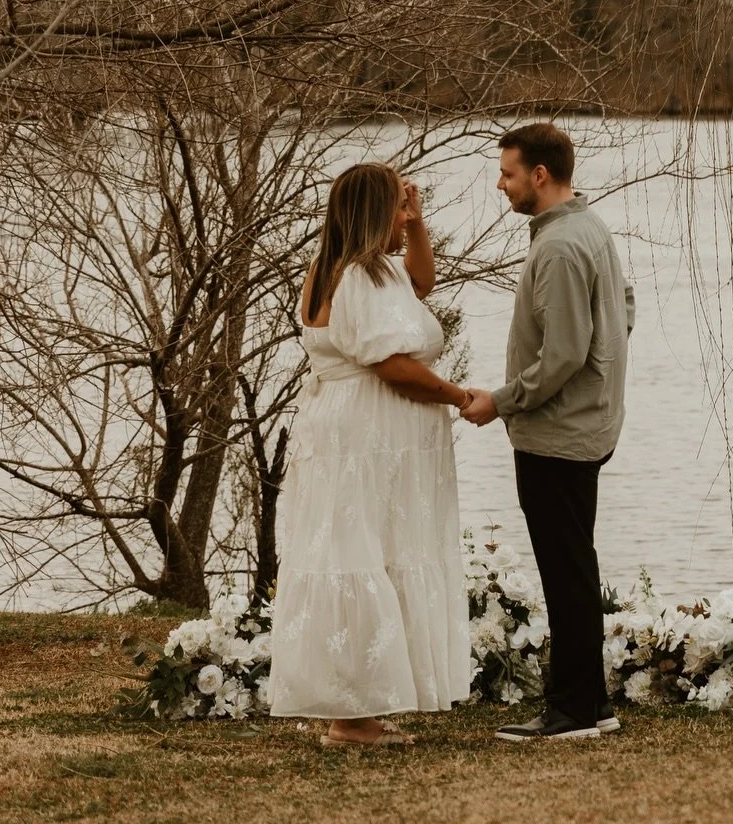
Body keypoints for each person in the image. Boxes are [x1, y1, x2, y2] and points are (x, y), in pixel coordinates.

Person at [269, 162, 472, 746]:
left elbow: (421, 285)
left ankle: (356, 710)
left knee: (362, 552)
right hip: (364, 437)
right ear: (371, 213)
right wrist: (457, 396)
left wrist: (417, 225)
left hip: (349, 434)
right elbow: (390, 364)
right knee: (359, 556)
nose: (404, 215)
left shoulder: (342, 269)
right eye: (397, 208)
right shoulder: (359, 276)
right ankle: (350, 719)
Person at [461, 122, 632, 742]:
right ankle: (593, 704)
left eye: (507, 173)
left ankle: (571, 713)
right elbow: (625, 308)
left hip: (557, 434)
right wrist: (601, 379)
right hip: (585, 424)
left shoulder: (560, 246)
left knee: (566, 575)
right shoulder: (591, 228)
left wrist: (502, 401)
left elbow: (562, 353)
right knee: (575, 568)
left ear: (539, 175)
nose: (500, 184)